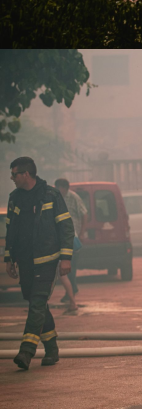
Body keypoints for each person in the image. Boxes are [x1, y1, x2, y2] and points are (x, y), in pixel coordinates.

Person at [5, 157, 74, 370]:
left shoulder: (50, 195)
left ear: (26, 174)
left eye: (14, 174)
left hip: (47, 260)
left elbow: (66, 227)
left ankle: (26, 351)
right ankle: (52, 349)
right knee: (38, 306)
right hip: (25, 261)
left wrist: (66, 258)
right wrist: (9, 257)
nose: (12, 178)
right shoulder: (14, 198)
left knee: (36, 302)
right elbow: (10, 230)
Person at [54, 178, 86, 312]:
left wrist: (82, 233)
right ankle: (71, 294)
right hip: (62, 238)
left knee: (69, 269)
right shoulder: (55, 198)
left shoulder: (74, 198)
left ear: (66, 188)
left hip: (72, 238)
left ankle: (72, 296)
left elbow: (84, 214)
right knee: (65, 271)